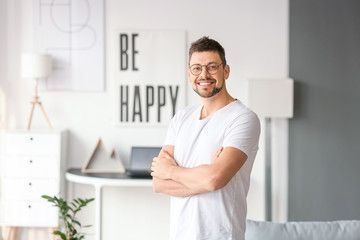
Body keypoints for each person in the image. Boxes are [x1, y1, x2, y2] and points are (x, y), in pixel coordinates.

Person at [151, 36, 261, 240]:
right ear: (189, 73)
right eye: (196, 68)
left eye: (212, 67)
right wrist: (204, 177)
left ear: (225, 71)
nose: (204, 74)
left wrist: (171, 170)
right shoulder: (181, 118)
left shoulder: (243, 118)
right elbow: (159, 182)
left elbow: (213, 179)